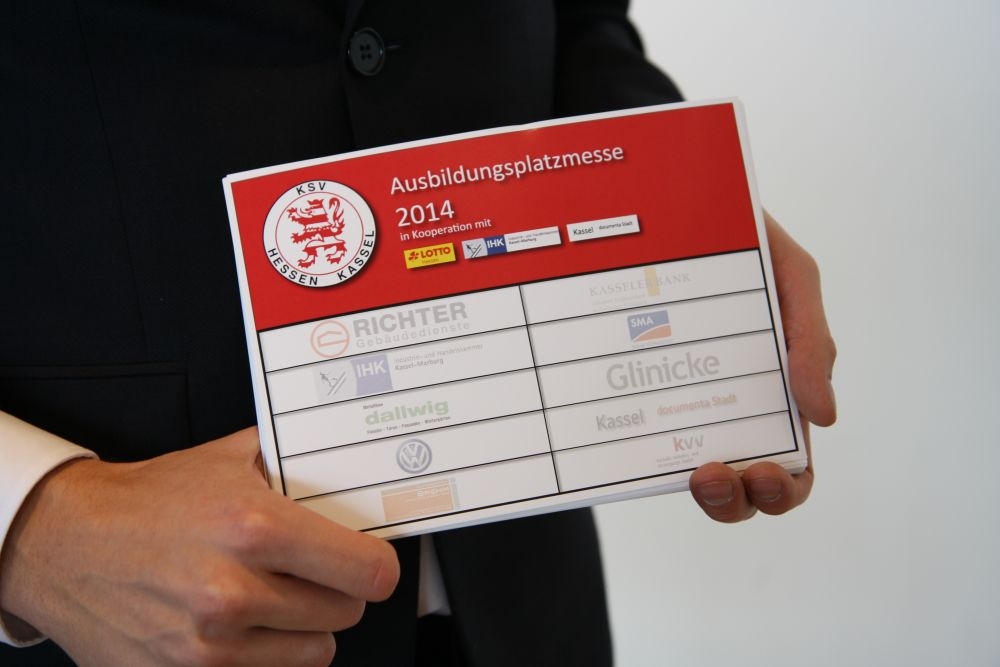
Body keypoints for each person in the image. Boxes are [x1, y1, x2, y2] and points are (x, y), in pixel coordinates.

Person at [0, 1, 837, 665]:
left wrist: (682, 207)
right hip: (137, 609)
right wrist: (36, 528)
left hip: (525, 597)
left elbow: (584, 20)